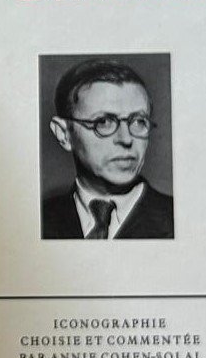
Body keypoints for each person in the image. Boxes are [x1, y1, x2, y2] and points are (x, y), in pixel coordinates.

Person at [42, 59, 174, 239]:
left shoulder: (179, 219)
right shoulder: (36, 221)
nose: (126, 139)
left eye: (138, 122)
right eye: (103, 122)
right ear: (64, 134)